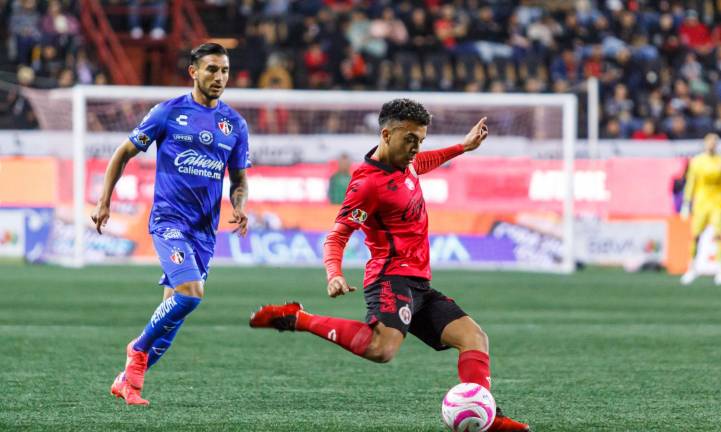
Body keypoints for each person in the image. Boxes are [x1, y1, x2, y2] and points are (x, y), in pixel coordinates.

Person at [250, 99, 530, 431]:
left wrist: (462, 147)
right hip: (390, 279)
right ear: (386, 135)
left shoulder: (406, 161)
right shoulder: (367, 184)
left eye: (420, 140)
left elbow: (422, 162)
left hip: (419, 284)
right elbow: (337, 235)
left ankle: (487, 416)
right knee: (382, 349)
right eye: (410, 139)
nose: (416, 148)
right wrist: (334, 274)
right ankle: (299, 318)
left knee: (474, 338)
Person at [91, 43, 250, 405]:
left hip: (204, 231)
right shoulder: (168, 112)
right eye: (212, 69)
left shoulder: (235, 125)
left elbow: (239, 179)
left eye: (224, 70)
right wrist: (104, 201)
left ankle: (126, 383)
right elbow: (123, 153)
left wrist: (240, 205)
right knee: (191, 293)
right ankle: (137, 348)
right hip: (169, 221)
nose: (219, 77)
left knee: (171, 321)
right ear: (193, 72)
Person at [680, 133, 721, 285]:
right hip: (701, 204)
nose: (711, 145)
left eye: (714, 142)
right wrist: (686, 203)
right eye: (709, 142)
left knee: (719, 236)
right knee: (695, 236)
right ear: (704, 144)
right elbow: (691, 182)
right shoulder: (697, 161)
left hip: (717, 204)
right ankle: (691, 269)